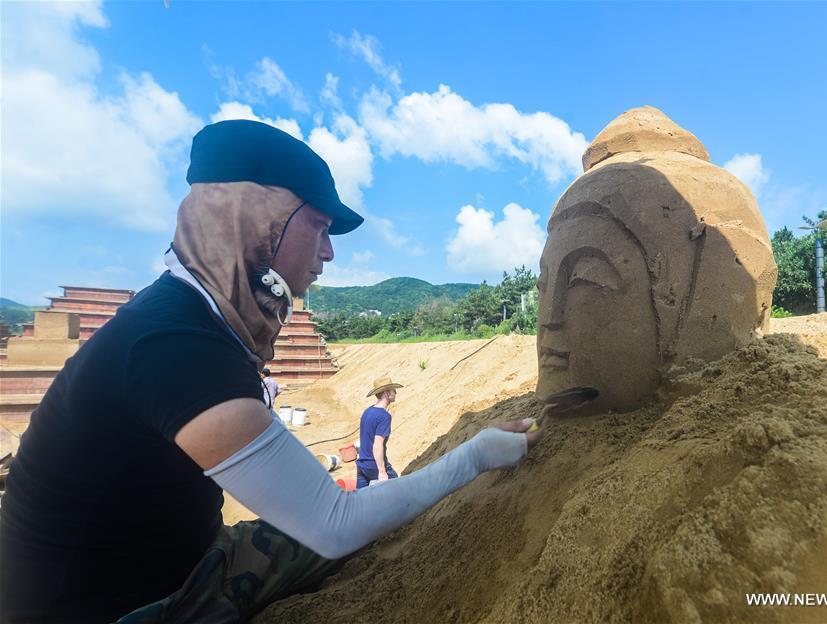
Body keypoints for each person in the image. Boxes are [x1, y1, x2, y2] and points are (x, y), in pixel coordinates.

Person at [0, 119, 544, 624]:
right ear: (259, 221)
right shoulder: (175, 346)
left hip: (168, 562)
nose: (329, 253)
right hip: (116, 606)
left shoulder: (192, 320)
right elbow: (334, 524)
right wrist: (474, 456)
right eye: (320, 226)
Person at [356, 376, 402, 488]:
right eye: (393, 390)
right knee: (398, 489)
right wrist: (382, 472)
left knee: (361, 501)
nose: (395, 393)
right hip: (374, 466)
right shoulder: (384, 416)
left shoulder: (367, 411)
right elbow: (377, 445)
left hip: (361, 465)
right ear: (386, 393)